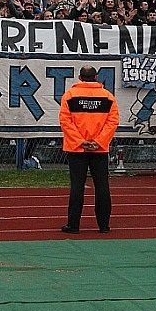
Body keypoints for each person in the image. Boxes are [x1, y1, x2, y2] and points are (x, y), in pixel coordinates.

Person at [58, 65, 120, 234]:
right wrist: (99, 142)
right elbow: (112, 122)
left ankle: (73, 225)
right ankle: (104, 225)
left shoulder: (70, 95)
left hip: (76, 149)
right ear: (96, 77)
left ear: (80, 77)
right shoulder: (108, 97)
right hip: (99, 149)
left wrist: (80, 142)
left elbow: (65, 122)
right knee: (102, 185)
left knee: (77, 186)